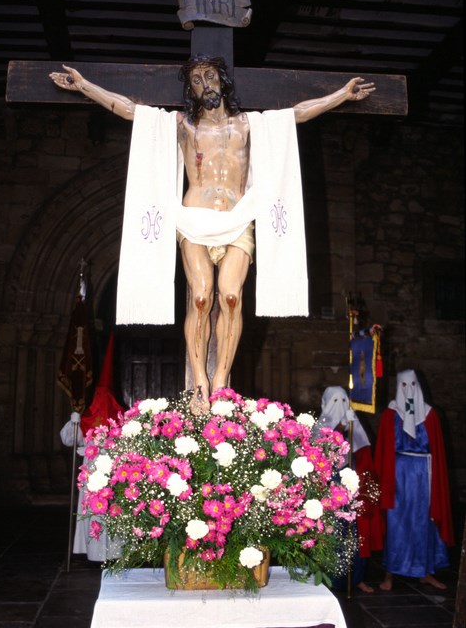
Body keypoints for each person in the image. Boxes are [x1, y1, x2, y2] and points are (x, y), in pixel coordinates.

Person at [49, 55, 375, 415]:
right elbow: (129, 109)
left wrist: (342, 95)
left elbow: (297, 113)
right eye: (196, 80)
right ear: (191, 90)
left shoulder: (249, 125)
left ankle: (221, 379)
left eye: (209, 76)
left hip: (239, 218)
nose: (205, 84)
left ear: (223, 80)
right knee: (202, 298)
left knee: (231, 296)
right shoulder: (183, 126)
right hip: (194, 220)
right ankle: (200, 383)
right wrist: (84, 86)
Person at [374, 369, 455, 591]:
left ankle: (425, 571)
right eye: (403, 385)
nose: (408, 390)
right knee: (397, 521)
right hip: (397, 475)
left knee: (424, 520)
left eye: (412, 385)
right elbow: (383, 449)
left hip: (423, 475)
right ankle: (390, 573)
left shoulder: (430, 415)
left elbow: (437, 451)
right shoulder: (390, 414)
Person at [317, 386, 383, 594]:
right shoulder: (318, 429)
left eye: (343, 401)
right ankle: (330, 578)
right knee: (331, 533)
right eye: (335, 402)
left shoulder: (354, 426)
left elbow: (364, 457)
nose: (340, 407)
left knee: (355, 535)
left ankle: (356, 578)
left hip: (352, 488)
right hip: (328, 491)